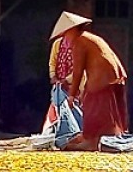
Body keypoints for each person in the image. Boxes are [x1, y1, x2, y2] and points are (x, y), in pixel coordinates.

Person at [50, 12, 128, 151]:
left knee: (92, 108)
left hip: (103, 79)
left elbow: (78, 72)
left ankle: (90, 141)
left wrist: (72, 95)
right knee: (95, 107)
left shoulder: (79, 42)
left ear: (72, 30)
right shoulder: (90, 38)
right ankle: (91, 138)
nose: (65, 38)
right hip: (114, 77)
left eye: (65, 34)